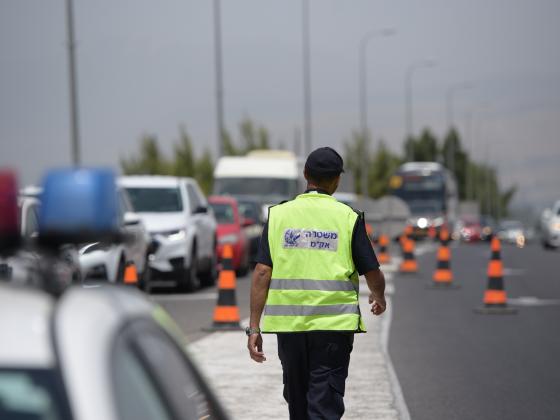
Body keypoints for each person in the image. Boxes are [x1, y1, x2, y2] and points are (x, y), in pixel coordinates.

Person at [246, 146, 387, 420]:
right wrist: (378, 295)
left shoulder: (279, 215)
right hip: (333, 329)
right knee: (324, 404)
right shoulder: (348, 217)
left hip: (290, 327)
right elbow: (372, 271)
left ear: (305, 175)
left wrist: (254, 327)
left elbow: (262, 272)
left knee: (297, 403)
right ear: (337, 180)